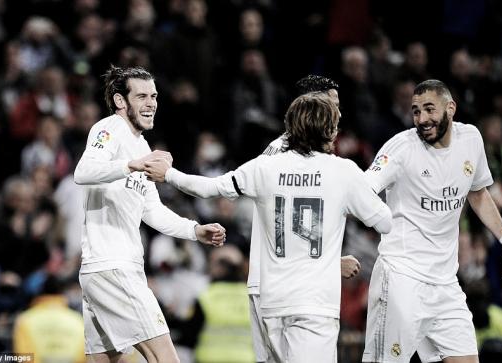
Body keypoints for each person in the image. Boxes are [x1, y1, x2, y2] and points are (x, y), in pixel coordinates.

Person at [145, 92, 393, 362]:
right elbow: (384, 221)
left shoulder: (265, 167)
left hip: (272, 303)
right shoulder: (344, 171)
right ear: (330, 130)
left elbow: (210, 187)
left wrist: (169, 174)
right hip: (314, 304)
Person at [362, 79, 502, 363]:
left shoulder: (471, 139)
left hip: (446, 284)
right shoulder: (400, 148)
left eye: (429, 109)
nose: (422, 119)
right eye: (415, 111)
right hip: (401, 278)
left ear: (451, 108)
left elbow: (478, 192)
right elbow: (361, 191)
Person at [73, 65, 226, 363]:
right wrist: (132, 164)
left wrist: (194, 230)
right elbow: (83, 172)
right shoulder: (109, 129)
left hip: (102, 271)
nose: (151, 103)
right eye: (141, 96)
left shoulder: (141, 145)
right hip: (114, 267)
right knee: (166, 358)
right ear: (121, 101)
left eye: (154, 96)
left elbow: (152, 210)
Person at [12, 275, 85, 363]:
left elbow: (23, 355)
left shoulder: (25, 320)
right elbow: (83, 354)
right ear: (62, 293)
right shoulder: (77, 320)